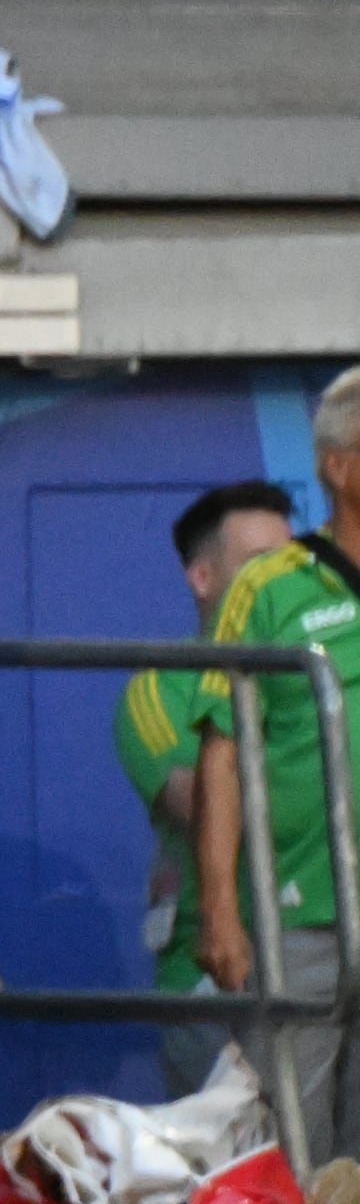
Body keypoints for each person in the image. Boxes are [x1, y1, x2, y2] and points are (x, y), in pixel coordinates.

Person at [195, 387, 360, 1159]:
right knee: (291, 1147)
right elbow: (221, 750)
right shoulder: (266, 588)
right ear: (339, 466)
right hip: (300, 912)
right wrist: (222, 908)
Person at [124, 479, 298, 1096]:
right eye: (258, 567)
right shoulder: (160, 687)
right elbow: (195, 798)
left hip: (322, 966)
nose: (278, 583)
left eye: (288, 563)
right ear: (202, 580)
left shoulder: (314, 672)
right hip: (215, 986)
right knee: (228, 1184)